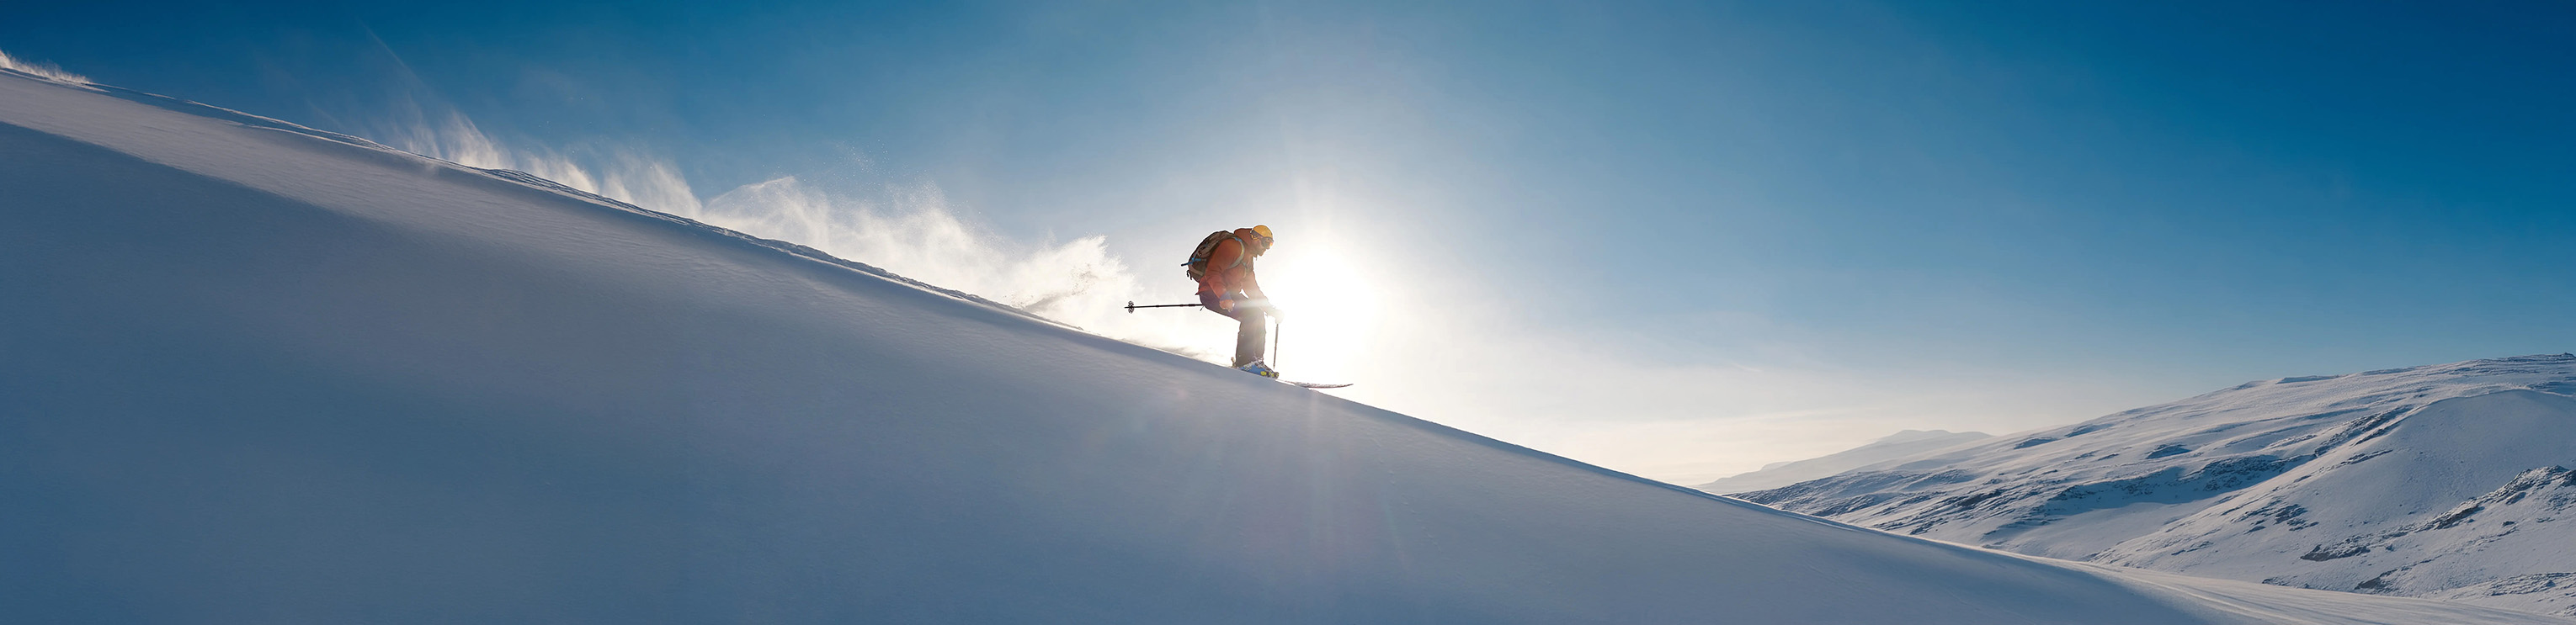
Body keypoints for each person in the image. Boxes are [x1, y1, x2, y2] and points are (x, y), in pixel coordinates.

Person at [1191, 225, 1281, 375]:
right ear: (1255, 238)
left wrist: (1270, 309)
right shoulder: (1232, 246)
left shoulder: (1248, 259)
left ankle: (1256, 360)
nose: (1267, 248)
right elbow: (1213, 272)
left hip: (1228, 294)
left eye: (1270, 244)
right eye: (1266, 243)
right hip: (1212, 292)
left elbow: (1252, 289)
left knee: (1258, 314)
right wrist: (1224, 296)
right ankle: (1244, 362)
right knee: (1251, 314)